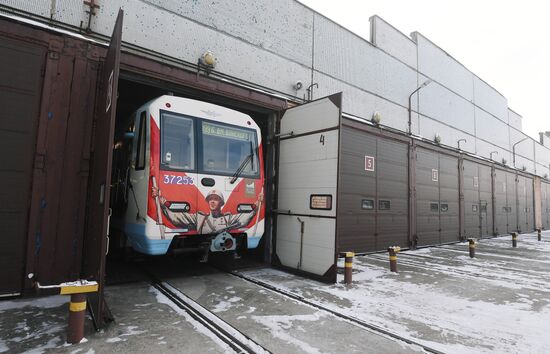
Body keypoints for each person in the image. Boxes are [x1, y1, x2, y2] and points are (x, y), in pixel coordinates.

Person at [151, 187, 262, 234]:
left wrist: (257, 205)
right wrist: (161, 202)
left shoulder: (228, 218)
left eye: (216, 199)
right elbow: (177, 218)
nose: (212, 202)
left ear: (221, 203)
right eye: (210, 199)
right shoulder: (199, 217)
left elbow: (244, 219)